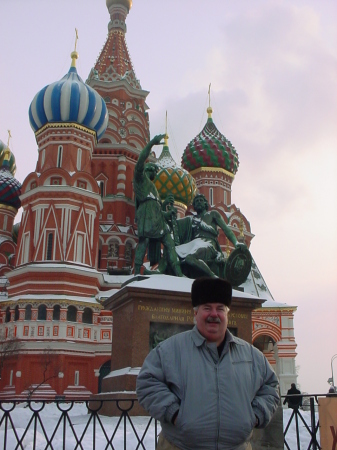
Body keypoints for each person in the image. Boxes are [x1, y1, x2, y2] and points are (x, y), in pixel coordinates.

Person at [136, 277, 280, 450]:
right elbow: (147, 383)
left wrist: (255, 415)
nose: (214, 314)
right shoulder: (169, 350)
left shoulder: (251, 356)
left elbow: (270, 386)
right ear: (195, 313)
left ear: (227, 314)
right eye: (207, 308)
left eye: (220, 308)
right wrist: (174, 413)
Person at [133, 134, 183, 277]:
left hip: (157, 219)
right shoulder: (140, 179)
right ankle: (137, 271)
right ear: (147, 170)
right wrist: (151, 144)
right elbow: (141, 160)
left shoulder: (153, 188)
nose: (155, 172)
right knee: (144, 241)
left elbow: (158, 211)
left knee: (169, 242)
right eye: (153, 170)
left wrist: (167, 210)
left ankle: (177, 271)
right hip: (147, 216)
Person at [174, 193, 247, 278]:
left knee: (190, 258)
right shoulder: (191, 219)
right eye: (196, 201)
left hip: (208, 243)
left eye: (201, 200)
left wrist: (236, 243)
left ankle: (212, 276)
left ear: (205, 204)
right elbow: (174, 224)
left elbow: (226, 230)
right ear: (194, 205)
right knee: (174, 251)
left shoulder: (212, 214)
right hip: (194, 243)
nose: (198, 202)